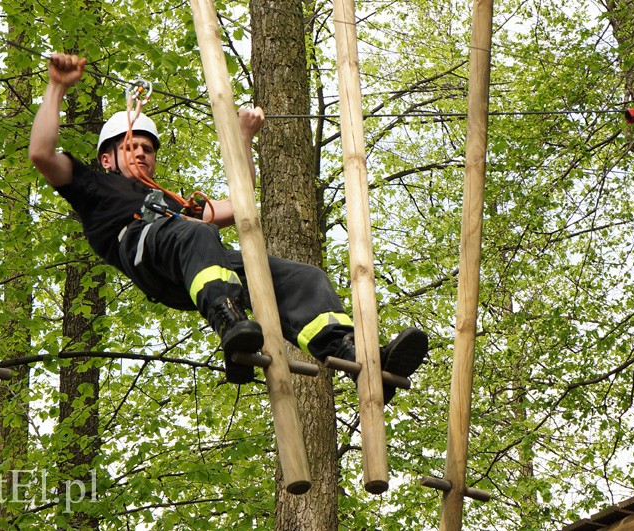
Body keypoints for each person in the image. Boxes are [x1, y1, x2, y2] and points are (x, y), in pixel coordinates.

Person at [29, 53, 427, 403]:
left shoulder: (174, 204)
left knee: (298, 276)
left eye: (147, 149)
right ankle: (227, 318)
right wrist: (56, 88)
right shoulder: (93, 187)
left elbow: (240, 204)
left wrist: (244, 138)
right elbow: (41, 153)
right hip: (149, 255)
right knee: (198, 233)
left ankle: (348, 348)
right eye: (131, 146)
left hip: (194, 261)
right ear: (106, 158)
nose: (141, 154)